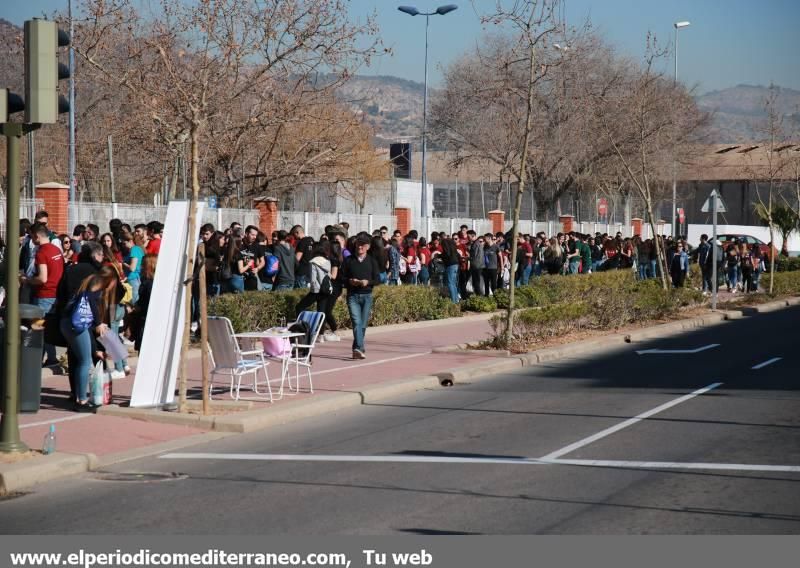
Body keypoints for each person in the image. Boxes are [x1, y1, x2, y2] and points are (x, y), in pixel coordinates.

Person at [56, 245, 118, 411]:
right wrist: (99, 322)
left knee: (80, 359)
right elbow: (90, 302)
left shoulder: (76, 273)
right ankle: (81, 400)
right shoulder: (96, 282)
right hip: (76, 323)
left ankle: (77, 395)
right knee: (85, 362)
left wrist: (94, 349)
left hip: (69, 321)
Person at [23, 223, 65, 367]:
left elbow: (42, 278)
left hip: (43, 295)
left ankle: (35, 359)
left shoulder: (42, 253)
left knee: (38, 328)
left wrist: (27, 280)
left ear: (37, 236)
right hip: (56, 293)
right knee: (49, 327)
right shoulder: (57, 250)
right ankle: (51, 357)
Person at [342, 235, 380, 360]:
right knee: (356, 323)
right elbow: (341, 278)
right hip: (353, 296)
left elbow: (377, 280)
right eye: (358, 244)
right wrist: (350, 281)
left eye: (363, 245)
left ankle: (356, 349)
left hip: (367, 296)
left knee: (362, 325)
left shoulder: (372, 261)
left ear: (368, 247)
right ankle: (359, 348)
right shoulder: (349, 260)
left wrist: (367, 282)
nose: (360, 247)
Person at [439, 237, 461, 303]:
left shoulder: (447, 249)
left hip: (450, 266)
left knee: (450, 283)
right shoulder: (454, 249)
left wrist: (439, 256)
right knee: (453, 283)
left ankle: (453, 301)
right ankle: (456, 300)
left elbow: (446, 254)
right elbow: (458, 256)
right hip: (456, 265)